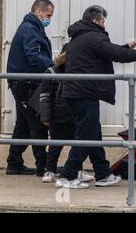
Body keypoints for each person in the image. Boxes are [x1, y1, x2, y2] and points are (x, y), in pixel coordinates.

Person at [57, 5, 136, 189]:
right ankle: (67, 176)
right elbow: (116, 54)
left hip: (78, 91)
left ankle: (102, 174)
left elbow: (108, 50)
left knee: (93, 132)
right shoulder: (93, 36)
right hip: (83, 92)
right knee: (86, 134)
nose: (104, 24)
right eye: (102, 21)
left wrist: (129, 47)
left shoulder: (82, 36)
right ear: (95, 21)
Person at [6, 0, 54, 176]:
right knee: (37, 123)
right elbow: (33, 56)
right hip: (25, 84)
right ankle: (43, 166)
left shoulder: (32, 27)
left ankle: (14, 162)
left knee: (23, 125)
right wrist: (52, 64)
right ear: (39, 11)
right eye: (48, 15)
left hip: (22, 83)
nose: (49, 19)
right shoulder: (30, 29)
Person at [38, 45, 94, 184]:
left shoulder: (81, 72)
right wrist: (45, 117)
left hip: (76, 116)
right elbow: (45, 97)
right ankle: (50, 170)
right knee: (55, 146)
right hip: (58, 117)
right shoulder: (52, 72)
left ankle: (77, 170)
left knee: (78, 145)